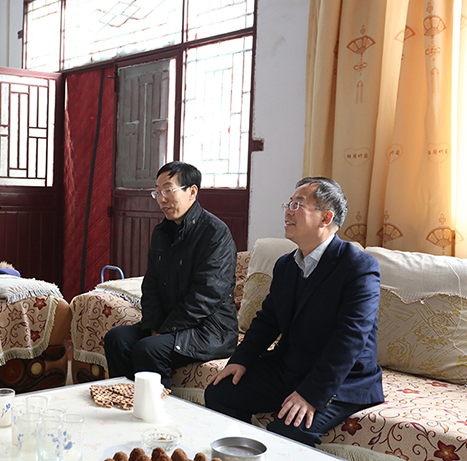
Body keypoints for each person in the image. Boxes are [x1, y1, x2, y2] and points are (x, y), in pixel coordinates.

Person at [204, 177, 384, 446]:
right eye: (289, 204)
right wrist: (240, 360)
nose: (288, 211)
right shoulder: (286, 265)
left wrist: (311, 394)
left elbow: (350, 340)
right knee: (220, 393)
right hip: (290, 367)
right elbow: (268, 320)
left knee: (287, 431)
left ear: (326, 218)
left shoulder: (358, 267)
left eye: (298, 205)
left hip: (342, 380)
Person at [104, 161, 239, 389]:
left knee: (148, 349)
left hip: (210, 329)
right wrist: (153, 326)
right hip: (171, 324)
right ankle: (126, 400)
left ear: (192, 191)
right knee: (117, 339)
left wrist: (164, 331)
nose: (161, 199)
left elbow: (207, 295)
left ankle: (157, 407)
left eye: (168, 190)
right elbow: (151, 285)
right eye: (157, 192)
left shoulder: (215, 233)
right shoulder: (162, 231)